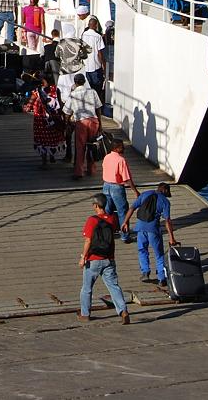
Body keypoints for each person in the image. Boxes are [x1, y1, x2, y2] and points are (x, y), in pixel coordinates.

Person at [77, 193, 129, 324]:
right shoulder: (112, 219)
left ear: (95, 205)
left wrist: (83, 257)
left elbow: (88, 241)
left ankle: (85, 314)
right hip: (109, 258)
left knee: (87, 288)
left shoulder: (92, 220)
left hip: (93, 259)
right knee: (113, 286)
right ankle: (123, 311)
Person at [123, 182, 178, 285]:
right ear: (165, 190)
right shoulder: (165, 202)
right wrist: (171, 238)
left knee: (142, 250)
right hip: (153, 230)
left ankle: (145, 272)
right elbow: (167, 221)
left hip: (140, 228)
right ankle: (161, 278)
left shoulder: (145, 194)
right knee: (159, 254)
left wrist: (125, 222)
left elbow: (132, 208)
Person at [102, 138, 142, 243]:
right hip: (116, 188)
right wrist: (135, 191)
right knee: (122, 212)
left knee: (107, 211)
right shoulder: (121, 160)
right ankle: (124, 235)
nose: (123, 148)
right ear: (116, 148)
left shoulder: (106, 157)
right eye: (121, 146)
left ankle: (105, 233)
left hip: (106, 186)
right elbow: (127, 178)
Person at [26, 74, 68, 168]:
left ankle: (45, 159)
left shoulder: (38, 92)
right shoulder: (54, 90)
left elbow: (29, 105)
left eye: (42, 80)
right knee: (50, 138)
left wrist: (27, 107)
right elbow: (60, 104)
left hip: (42, 120)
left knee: (44, 139)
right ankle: (50, 156)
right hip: (51, 118)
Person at [65, 74, 102, 179]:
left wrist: (67, 124)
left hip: (81, 122)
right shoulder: (92, 91)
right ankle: (91, 170)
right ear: (84, 81)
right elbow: (98, 108)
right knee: (92, 145)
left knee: (80, 147)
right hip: (93, 121)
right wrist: (100, 124)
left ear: (75, 82)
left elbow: (67, 111)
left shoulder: (73, 94)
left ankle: (79, 172)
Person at [81, 15, 106, 95]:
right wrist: (103, 65)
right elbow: (100, 53)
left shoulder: (83, 35)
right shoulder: (98, 36)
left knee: (88, 87)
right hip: (95, 66)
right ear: (96, 25)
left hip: (86, 65)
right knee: (96, 88)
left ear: (88, 25)